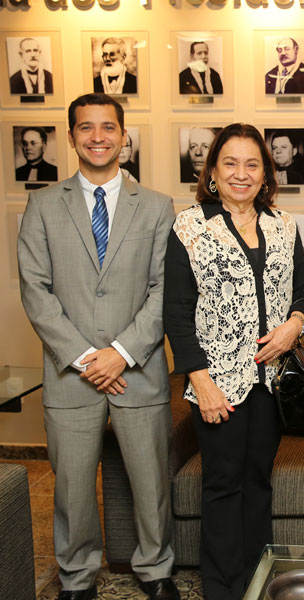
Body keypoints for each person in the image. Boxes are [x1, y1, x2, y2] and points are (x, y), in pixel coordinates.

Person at [17, 93, 179, 600]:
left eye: (107, 127)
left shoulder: (156, 206)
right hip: (72, 373)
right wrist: (88, 358)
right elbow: (35, 291)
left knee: (151, 484)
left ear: (123, 135)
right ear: (71, 138)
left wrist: (121, 353)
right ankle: (77, 576)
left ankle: (156, 571)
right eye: (86, 128)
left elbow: (164, 290)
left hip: (139, 368)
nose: (97, 137)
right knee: (70, 488)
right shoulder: (42, 204)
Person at [164, 123, 304, 600]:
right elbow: (176, 310)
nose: (241, 173)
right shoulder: (189, 225)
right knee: (223, 485)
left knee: (258, 484)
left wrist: (295, 325)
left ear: (266, 173)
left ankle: (256, 580)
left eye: (252, 164)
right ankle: (222, 590)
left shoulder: (283, 224)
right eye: (230, 163)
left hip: (271, 384)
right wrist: (200, 381)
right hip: (217, 383)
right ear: (212, 171)